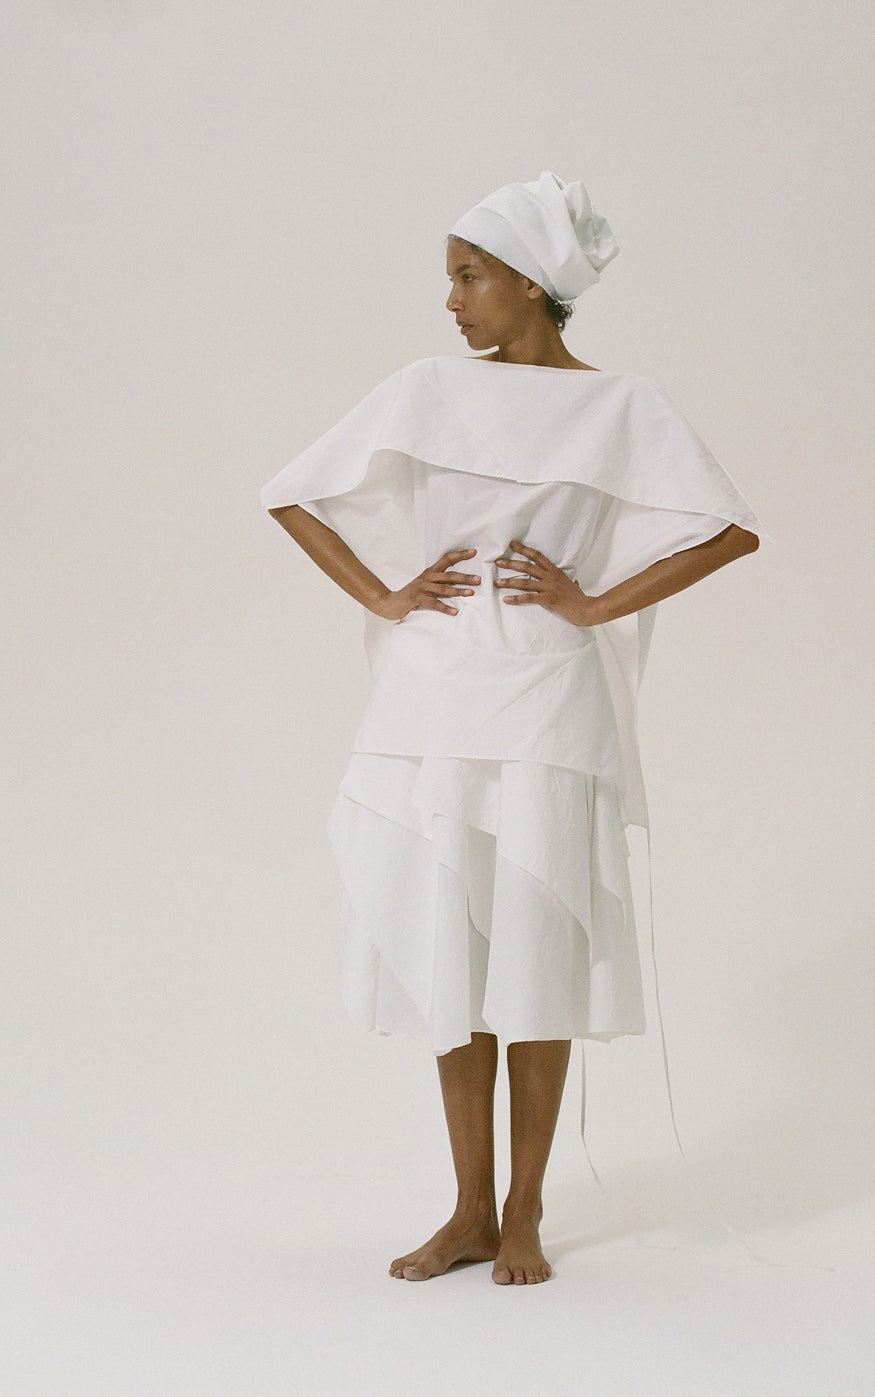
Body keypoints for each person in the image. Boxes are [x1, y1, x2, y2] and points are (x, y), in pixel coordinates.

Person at [262, 172, 767, 1285]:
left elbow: (730, 529)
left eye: (468, 275)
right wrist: (388, 593)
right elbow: (293, 493)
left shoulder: (624, 406)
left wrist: (593, 604)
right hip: (433, 696)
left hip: (547, 694)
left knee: (535, 948)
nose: (451, 301)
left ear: (531, 283)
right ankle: (466, 1210)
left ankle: (526, 1208)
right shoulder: (426, 388)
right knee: (452, 951)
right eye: (452, 276)